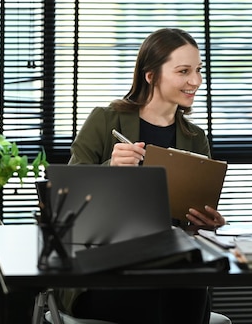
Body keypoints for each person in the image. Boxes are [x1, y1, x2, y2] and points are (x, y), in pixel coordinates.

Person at [60, 28, 227, 324]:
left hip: (172, 263)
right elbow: (66, 201)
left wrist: (206, 221)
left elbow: (191, 220)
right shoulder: (105, 120)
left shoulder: (194, 137)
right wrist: (110, 168)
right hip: (106, 267)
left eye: (198, 70)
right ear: (150, 76)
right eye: (184, 71)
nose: (196, 81)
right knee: (156, 296)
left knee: (189, 287)